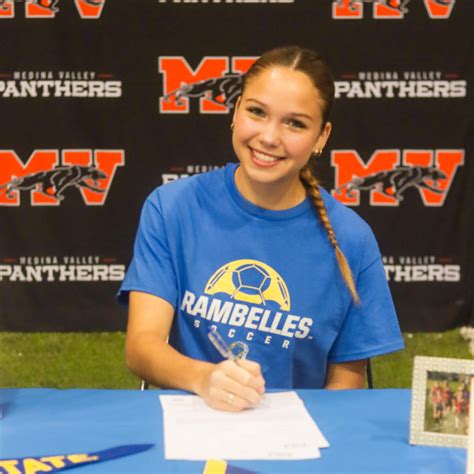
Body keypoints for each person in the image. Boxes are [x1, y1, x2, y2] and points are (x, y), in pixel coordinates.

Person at [118, 45, 404, 412]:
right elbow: (142, 347)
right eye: (257, 112)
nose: (270, 137)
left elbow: (345, 382)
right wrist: (204, 379)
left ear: (321, 137)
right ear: (236, 112)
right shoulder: (172, 207)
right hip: (189, 429)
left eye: (295, 123)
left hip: (298, 447)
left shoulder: (352, 238)